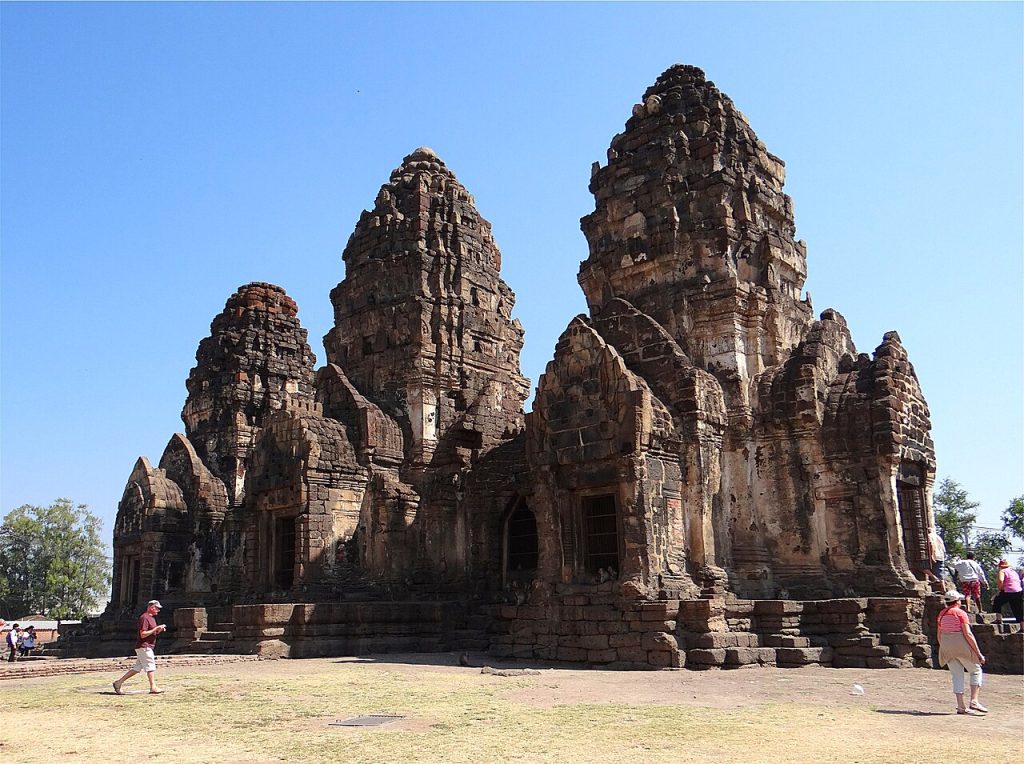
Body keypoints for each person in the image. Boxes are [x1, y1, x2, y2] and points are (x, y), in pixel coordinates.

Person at [936, 590, 987, 714]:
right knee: (975, 670)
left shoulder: (941, 614)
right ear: (957, 601)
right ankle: (974, 700)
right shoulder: (960, 613)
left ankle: (961, 706)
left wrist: (944, 647)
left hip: (947, 646)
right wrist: (978, 653)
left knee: (956, 675)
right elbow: (968, 634)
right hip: (961, 645)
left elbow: (939, 634)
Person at [112, 600, 167, 695]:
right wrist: (155, 628)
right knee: (151, 666)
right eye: (157, 608)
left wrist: (159, 629)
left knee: (137, 668)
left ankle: (118, 682)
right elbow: (143, 634)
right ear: (151, 607)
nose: (158, 610)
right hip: (144, 646)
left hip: (147, 646)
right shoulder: (144, 618)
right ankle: (153, 687)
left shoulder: (152, 618)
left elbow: (152, 632)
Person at [991, 559, 1023, 626]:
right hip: (1018, 591)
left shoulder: (1002, 571)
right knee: (1017, 609)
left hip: (1008, 591)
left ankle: (998, 619)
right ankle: (1022, 627)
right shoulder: (1013, 572)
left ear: (1000, 566)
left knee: (996, 602)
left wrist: (1000, 589)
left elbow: (1000, 580)